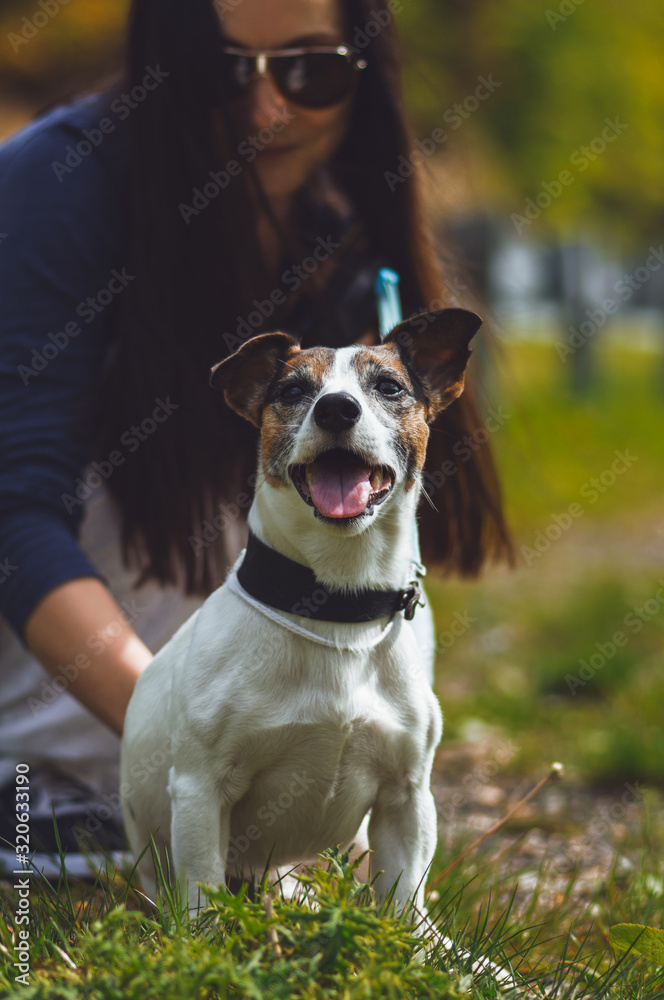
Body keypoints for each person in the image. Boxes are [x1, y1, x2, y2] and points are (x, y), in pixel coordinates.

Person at [0, 0, 512, 873]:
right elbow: (14, 517)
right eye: (222, 70)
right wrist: (186, 744)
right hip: (74, 769)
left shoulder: (348, 216)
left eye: (310, 71)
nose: (267, 111)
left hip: (269, 786)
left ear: (366, 70)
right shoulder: (59, 183)